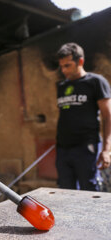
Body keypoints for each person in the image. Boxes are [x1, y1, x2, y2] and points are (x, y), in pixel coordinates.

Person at [56, 42, 111, 191]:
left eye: (68, 65)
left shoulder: (96, 82)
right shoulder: (62, 87)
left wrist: (106, 150)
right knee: (65, 192)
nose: (64, 70)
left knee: (89, 191)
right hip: (63, 149)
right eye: (61, 66)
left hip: (86, 148)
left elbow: (108, 117)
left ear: (80, 61)